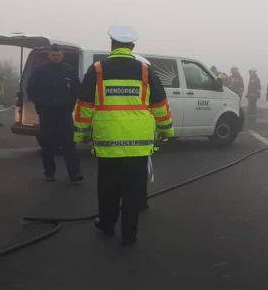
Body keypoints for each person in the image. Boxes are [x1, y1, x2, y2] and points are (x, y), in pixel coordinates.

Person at [74, 25, 174, 244]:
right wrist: (166, 130)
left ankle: (107, 225)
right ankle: (129, 234)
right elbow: (160, 104)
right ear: (132, 47)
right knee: (133, 192)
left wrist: (81, 134)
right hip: (139, 145)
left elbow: (84, 106)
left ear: (112, 45)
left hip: (108, 143)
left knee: (107, 189)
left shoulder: (97, 70)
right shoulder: (146, 71)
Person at [27, 45, 83, 183]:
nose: (56, 57)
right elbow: (31, 89)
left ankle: (74, 174)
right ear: (49, 56)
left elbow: (76, 90)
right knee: (47, 144)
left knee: (69, 144)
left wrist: (70, 105)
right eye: (53, 55)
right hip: (47, 113)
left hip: (64, 114)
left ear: (62, 56)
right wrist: (40, 104)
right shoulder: (40, 71)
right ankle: (49, 173)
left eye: (58, 55)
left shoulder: (69, 71)